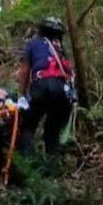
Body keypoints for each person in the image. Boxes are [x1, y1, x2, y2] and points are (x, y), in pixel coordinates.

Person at [15, 17, 76, 173]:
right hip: (63, 90)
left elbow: (24, 72)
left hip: (41, 87)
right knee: (52, 131)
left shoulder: (33, 44)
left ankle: (26, 170)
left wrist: (21, 94)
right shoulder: (60, 48)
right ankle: (52, 170)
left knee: (28, 125)